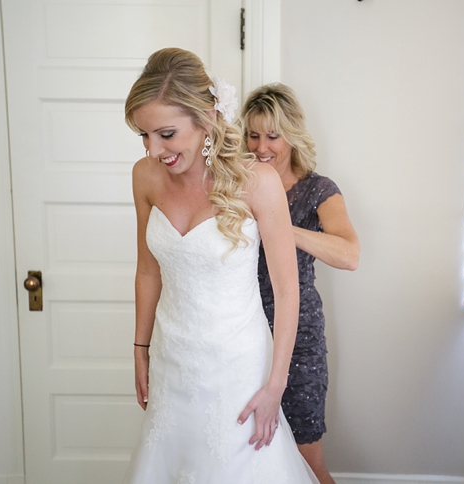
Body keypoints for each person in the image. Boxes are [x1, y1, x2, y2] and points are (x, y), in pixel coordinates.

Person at [122, 48, 319, 483]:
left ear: (207, 118)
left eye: (166, 134)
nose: (153, 150)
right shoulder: (144, 177)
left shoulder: (258, 182)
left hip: (238, 369)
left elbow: (287, 290)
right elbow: (148, 270)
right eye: (144, 135)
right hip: (171, 359)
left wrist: (276, 386)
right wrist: (140, 348)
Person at [242, 83, 360, 484]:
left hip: (298, 340)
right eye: (253, 135)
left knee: (305, 458)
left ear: (291, 135)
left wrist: (280, 227)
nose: (261, 147)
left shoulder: (317, 189)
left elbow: (349, 254)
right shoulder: (238, 185)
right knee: (249, 453)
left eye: (273, 136)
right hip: (242, 333)